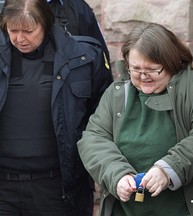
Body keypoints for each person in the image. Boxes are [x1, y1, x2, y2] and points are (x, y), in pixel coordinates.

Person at [77, 22, 193, 216]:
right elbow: (94, 138)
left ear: (171, 62)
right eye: (135, 69)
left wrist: (169, 169)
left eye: (152, 69)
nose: (143, 76)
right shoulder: (118, 92)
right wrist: (117, 174)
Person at [0, 0, 113, 215]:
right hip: (3, 191)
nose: (20, 38)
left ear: (45, 23)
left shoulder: (83, 58)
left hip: (58, 189)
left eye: (28, 31)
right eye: (13, 30)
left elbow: (102, 120)